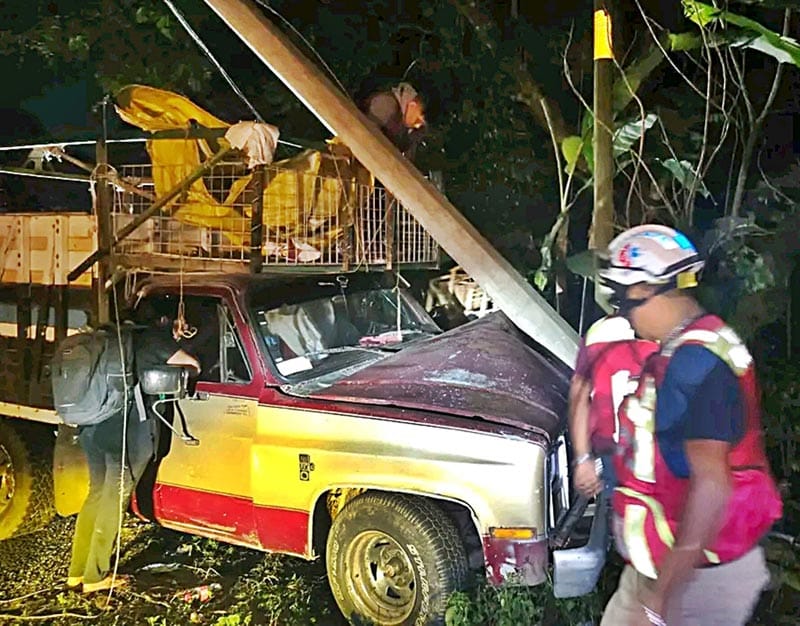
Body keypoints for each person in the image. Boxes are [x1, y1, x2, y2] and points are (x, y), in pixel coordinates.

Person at [596, 224, 782, 626]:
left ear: (649, 290)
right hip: (664, 568)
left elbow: (713, 485)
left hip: (696, 579)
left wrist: (664, 596)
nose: (620, 314)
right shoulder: (683, 347)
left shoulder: (699, 364)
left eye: (622, 301)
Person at [66, 306, 200, 593]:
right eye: (180, 320)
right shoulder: (155, 339)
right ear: (165, 319)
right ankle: (95, 576)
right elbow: (193, 366)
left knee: (97, 494)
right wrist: (179, 343)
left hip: (94, 426)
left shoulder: (108, 339)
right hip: (126, 432)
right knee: (114, 499)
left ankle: (77, 571)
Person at [569, 313, 658, 498]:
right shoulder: (671, 328)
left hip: (657, 459)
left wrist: (583, 458)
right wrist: (583, 458)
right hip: (619, 459)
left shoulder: (598, 332)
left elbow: (579, 394)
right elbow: (580, 396)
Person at [362, 82, 426, 160]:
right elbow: (366, 134)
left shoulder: (408, 127)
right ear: (412, 106)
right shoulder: (386, 104)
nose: (417, 125)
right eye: (417, 120)